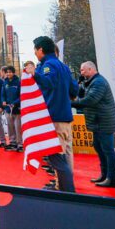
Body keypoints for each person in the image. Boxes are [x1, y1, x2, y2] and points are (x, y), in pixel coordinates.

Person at [32, 35, 78, 192]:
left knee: (58, 157)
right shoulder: (63, 66)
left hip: (54, 117)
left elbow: (49, 82)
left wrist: (35, 75)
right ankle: (62, 185)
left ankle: (66, 191)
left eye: (35, 50)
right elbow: (74, 90)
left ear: (41, 50)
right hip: (65, 116)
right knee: (66, 155)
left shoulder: (48, 65)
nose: (34, 54)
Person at [73, 61, 115, 187]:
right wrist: (80, 83)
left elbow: (90, 100)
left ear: (91, 69)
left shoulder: (99, 82)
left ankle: (111, 179)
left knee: (107, 151)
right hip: (97, 122)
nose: (81, 72)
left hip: (104, 122)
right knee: (99, 148)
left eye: (83, 70)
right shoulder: (90, 82)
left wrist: (71, 103)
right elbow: (80, 94)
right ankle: (104, 174)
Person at [1, 66, 22, 151]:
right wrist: (3, 101)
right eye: (7, 72)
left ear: (13, 73)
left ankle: (20, 144)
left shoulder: (18, 82)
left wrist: (15, 103)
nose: (8, 74)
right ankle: (12, 142)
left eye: (10, 72)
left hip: (16, 109)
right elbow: (2, 94)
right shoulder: (5, 82)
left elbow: (21, 95)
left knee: (18, 127)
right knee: (10, 127)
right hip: (8, 109)